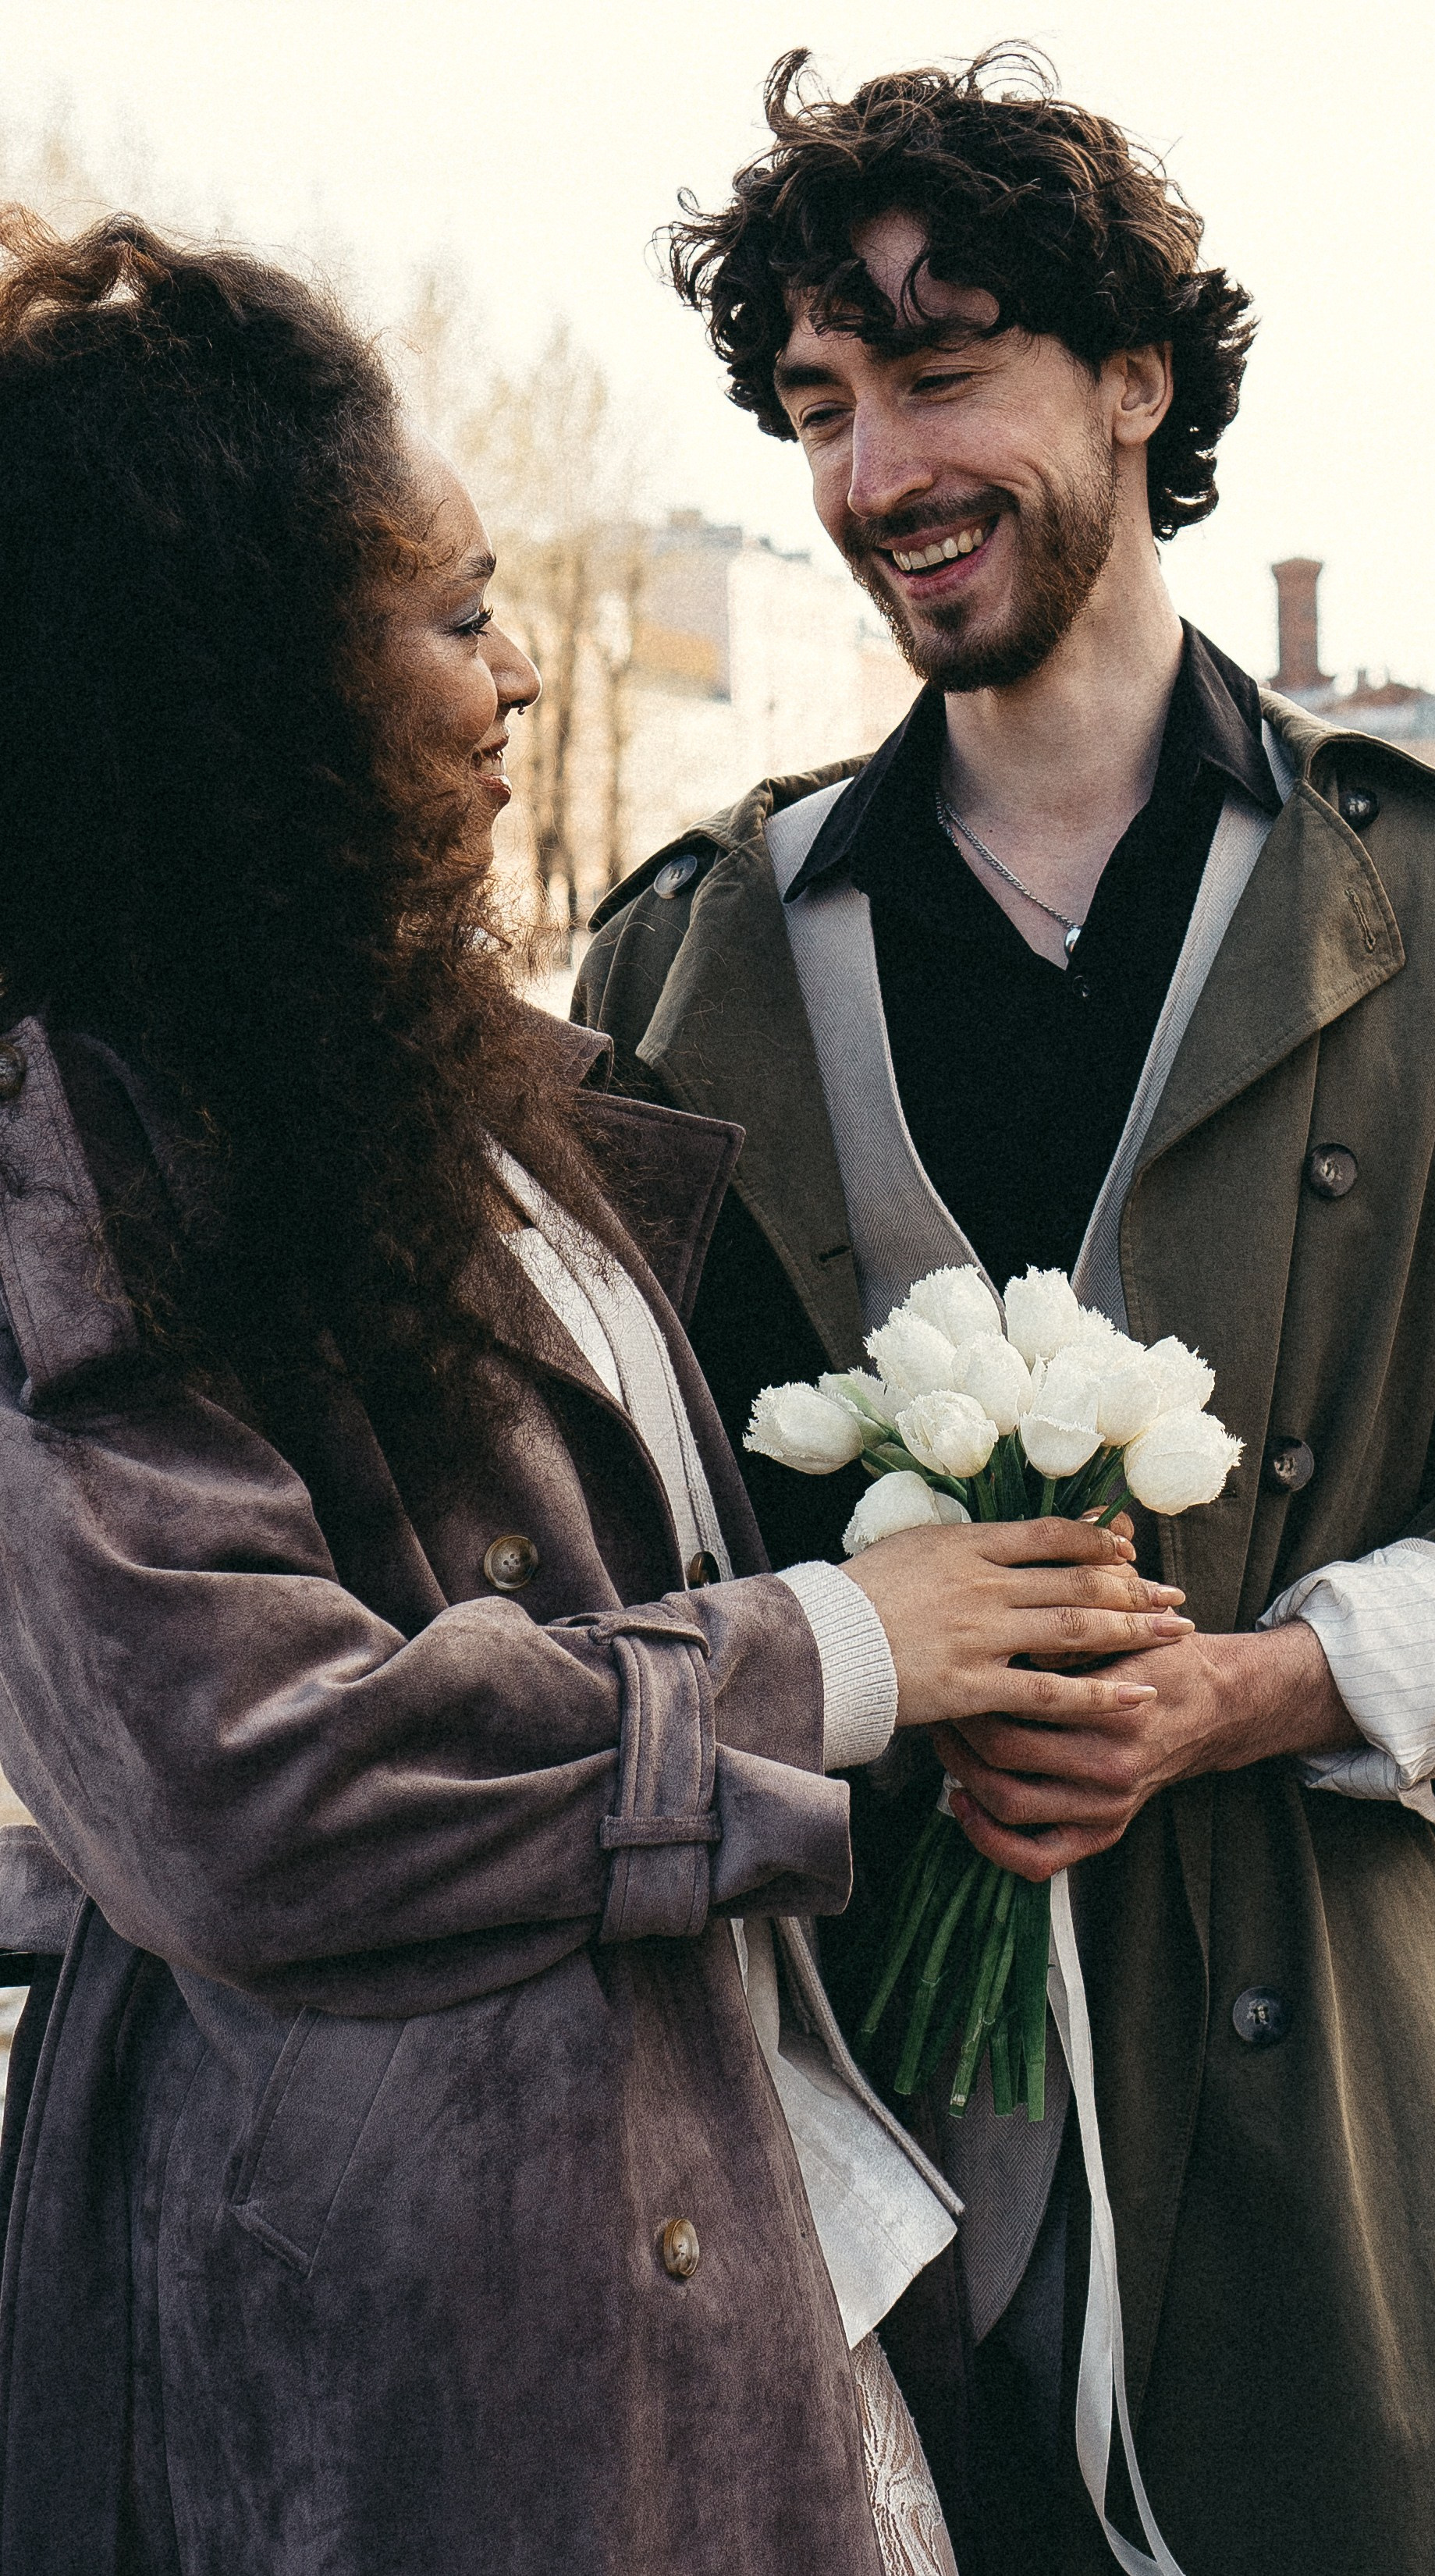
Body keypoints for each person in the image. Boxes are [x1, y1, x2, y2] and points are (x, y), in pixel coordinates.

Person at [576, 48, 1435, 2576]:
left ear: (1136, 378)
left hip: (1361, 2152)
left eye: (942, 368)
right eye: (819, 405)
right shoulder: (679, 959)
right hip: (841, 2144)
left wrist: (1261, 1685)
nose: (877, 473)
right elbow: (583, 1542)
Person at [0, 208, 1193, 2576]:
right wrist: (852, 1653)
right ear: (252, 691)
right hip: (413, 2370)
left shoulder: (415, 1077)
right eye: (450, 617)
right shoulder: (78, 1150)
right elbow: (243, 1788)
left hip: (675, 2254)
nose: (516, 676)